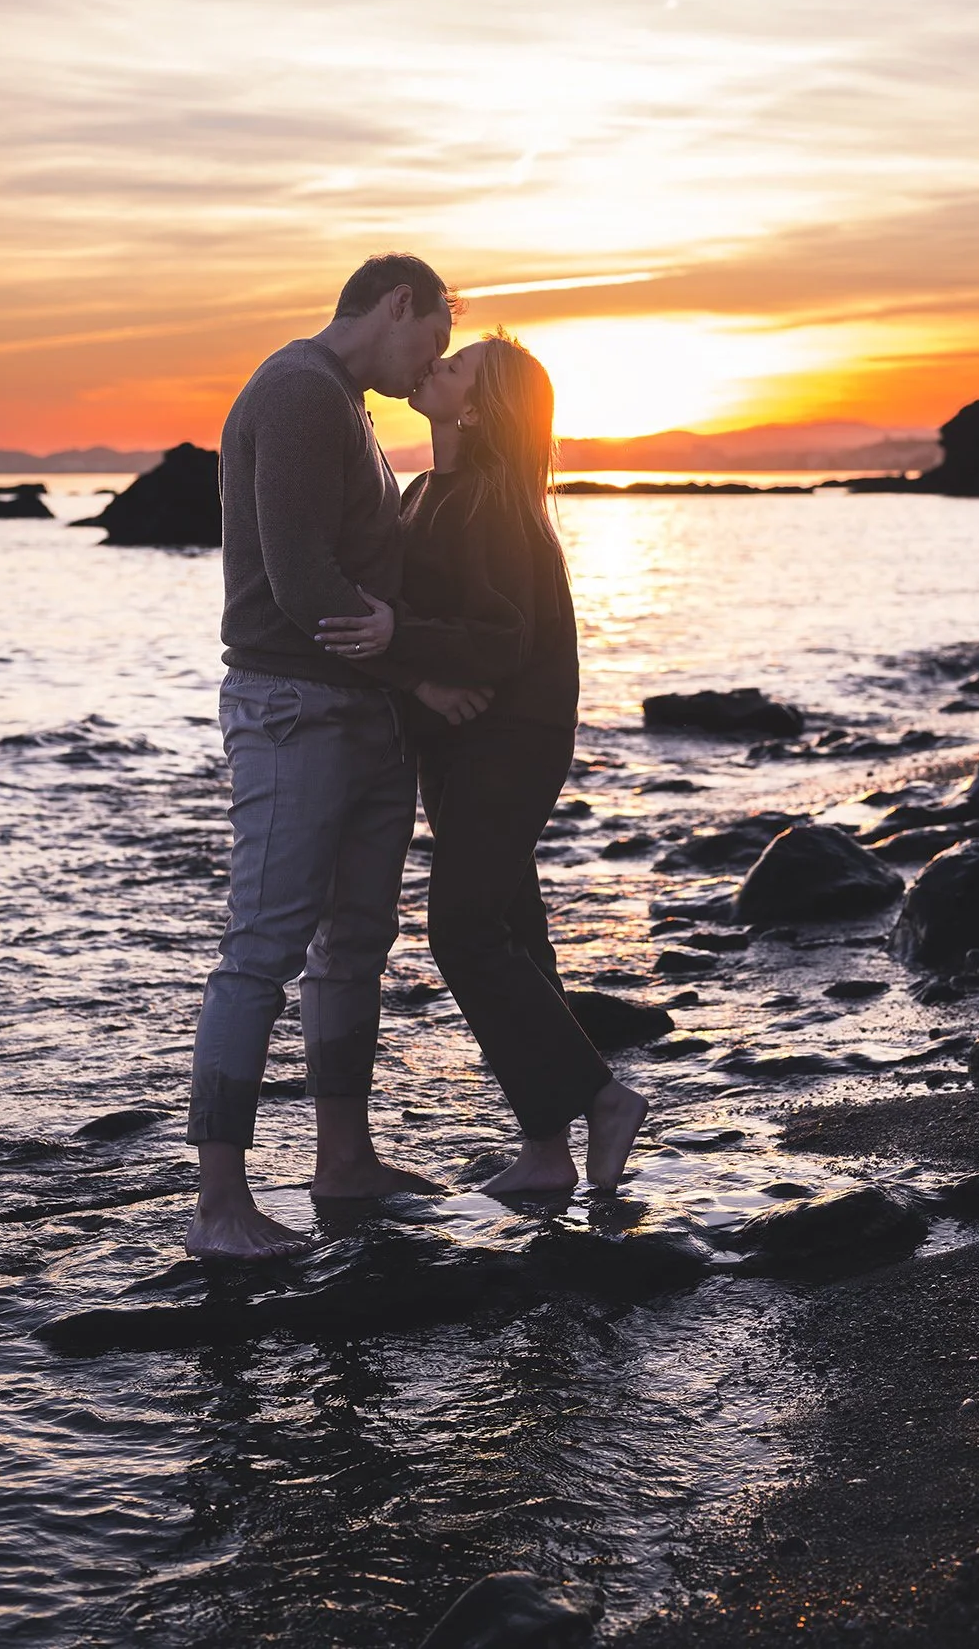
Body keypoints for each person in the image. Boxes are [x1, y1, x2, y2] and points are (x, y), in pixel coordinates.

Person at [186, 254, 489, 1260]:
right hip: (294, 710)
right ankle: (219, 1205)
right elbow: (300, 573)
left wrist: (400, 673)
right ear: (396, 304)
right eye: (433, 342)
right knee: (261, 949)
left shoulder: (347, 404)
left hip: (360, 712)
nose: (428, 367)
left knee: (353, 943)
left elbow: (367, 564)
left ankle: (342, 1159)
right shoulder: (298, 391)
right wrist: (418, 670)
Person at [318, 328, 649, 1193]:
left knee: (462, 930)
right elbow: (422, 622)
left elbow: (504, 639)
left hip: (512, 738)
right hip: (463, 742)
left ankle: (602, 1099)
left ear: (477, 406)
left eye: (455, 365)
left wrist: (407, 642)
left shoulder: (492, 501)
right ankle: (545, 1152)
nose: (435, 366)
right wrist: (417, 666)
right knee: (513, 931)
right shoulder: (433, 490)